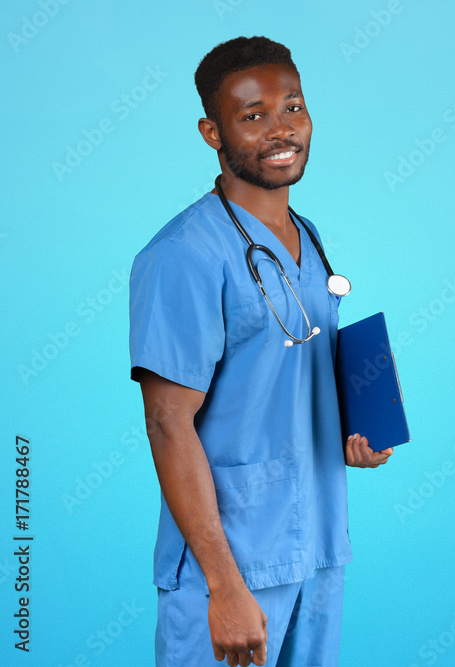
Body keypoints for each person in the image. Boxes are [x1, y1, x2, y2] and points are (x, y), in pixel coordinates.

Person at [129, 36, 392, 667]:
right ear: (211, 133)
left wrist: (361, 424)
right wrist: (223, 587)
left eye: (292, 107)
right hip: (235, 564)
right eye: (253, 116)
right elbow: (169, 423)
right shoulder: (184, 255)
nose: (281, 130)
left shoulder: (308, 238)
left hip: (320, 547)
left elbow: (290, 371)